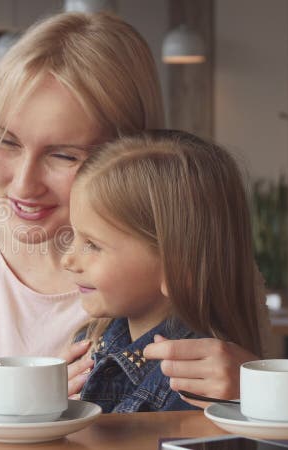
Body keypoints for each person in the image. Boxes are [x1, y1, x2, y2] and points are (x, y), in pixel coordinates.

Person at [0, 12, 269, 422]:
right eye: (7, 142)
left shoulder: (197, 259)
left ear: (128, 154)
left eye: (63, 155)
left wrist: (261, 390)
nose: (22, 184)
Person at [62, 130, 263, 413]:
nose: (67, 259)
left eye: (92, 245)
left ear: (177, 268)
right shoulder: (88, 342)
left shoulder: (200, 384)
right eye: (73, 236)